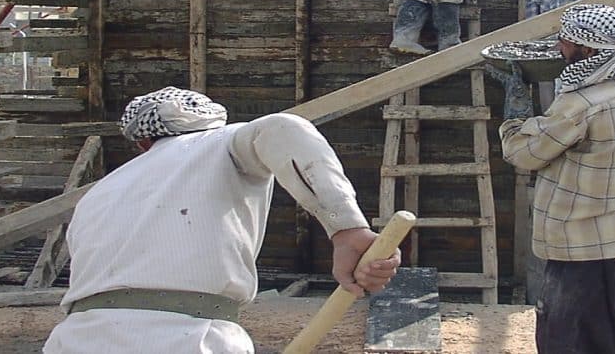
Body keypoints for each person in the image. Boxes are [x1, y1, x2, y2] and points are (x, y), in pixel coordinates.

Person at [43, 86, 401, 353]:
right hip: (186, 341)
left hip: (74, 340)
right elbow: (284, 130)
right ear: (214, 122)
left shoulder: (98, 194)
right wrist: (347, 230)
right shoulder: (223, 142)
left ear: (142, 143)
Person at [487, 5, 615, 354]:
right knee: (608, 332)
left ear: (588, 51)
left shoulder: (583, 104)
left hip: (586, 245)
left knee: (564, 340)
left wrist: (516, 110)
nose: (558, 49)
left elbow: (524, 154)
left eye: (564, 42)